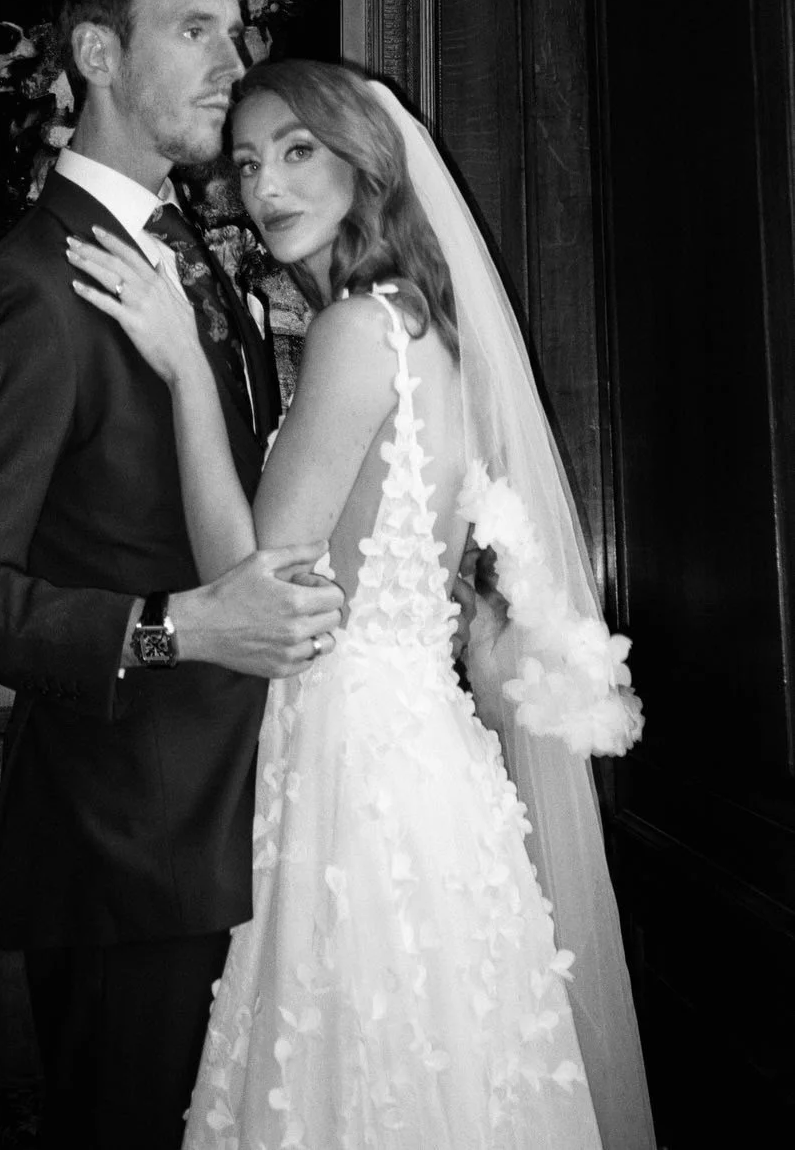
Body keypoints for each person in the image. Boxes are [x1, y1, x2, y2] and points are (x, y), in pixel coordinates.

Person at [69, 58, 657, 1150]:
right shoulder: (431, 329)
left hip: (353, 764)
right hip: (424, 755)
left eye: (299, 152)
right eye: (247, 162)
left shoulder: (355, 329)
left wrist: (188, 371)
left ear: (366, 164)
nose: (266, 186)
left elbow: (254, 577)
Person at [0, 0, 349, 1150]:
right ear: (96, 53)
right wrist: (176, 626)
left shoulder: (199, 250)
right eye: (194, 29)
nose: (231, 60)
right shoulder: (28, 288)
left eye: (236, 31)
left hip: (260, 816)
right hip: (129, 852)